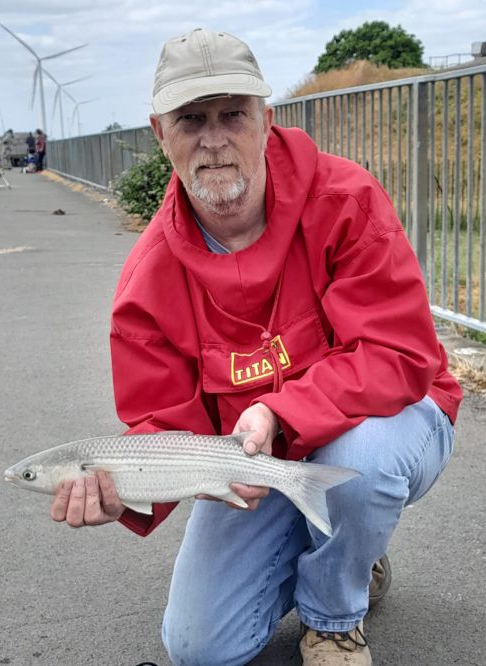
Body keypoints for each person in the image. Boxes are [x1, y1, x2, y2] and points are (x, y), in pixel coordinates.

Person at [50, 28, 462, 666]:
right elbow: (166, 426)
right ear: (160, 134)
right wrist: (122, 488)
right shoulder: (147, 281)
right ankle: (341, 540)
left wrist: (281, 411)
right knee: (199, 648)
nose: (213, 139)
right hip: (258, 466)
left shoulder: (346, 199)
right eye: (191, 119)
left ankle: (333, 616)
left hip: (390, 421)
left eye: (232, 114)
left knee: (364, 463)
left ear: (266, 120)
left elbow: (399, 355)